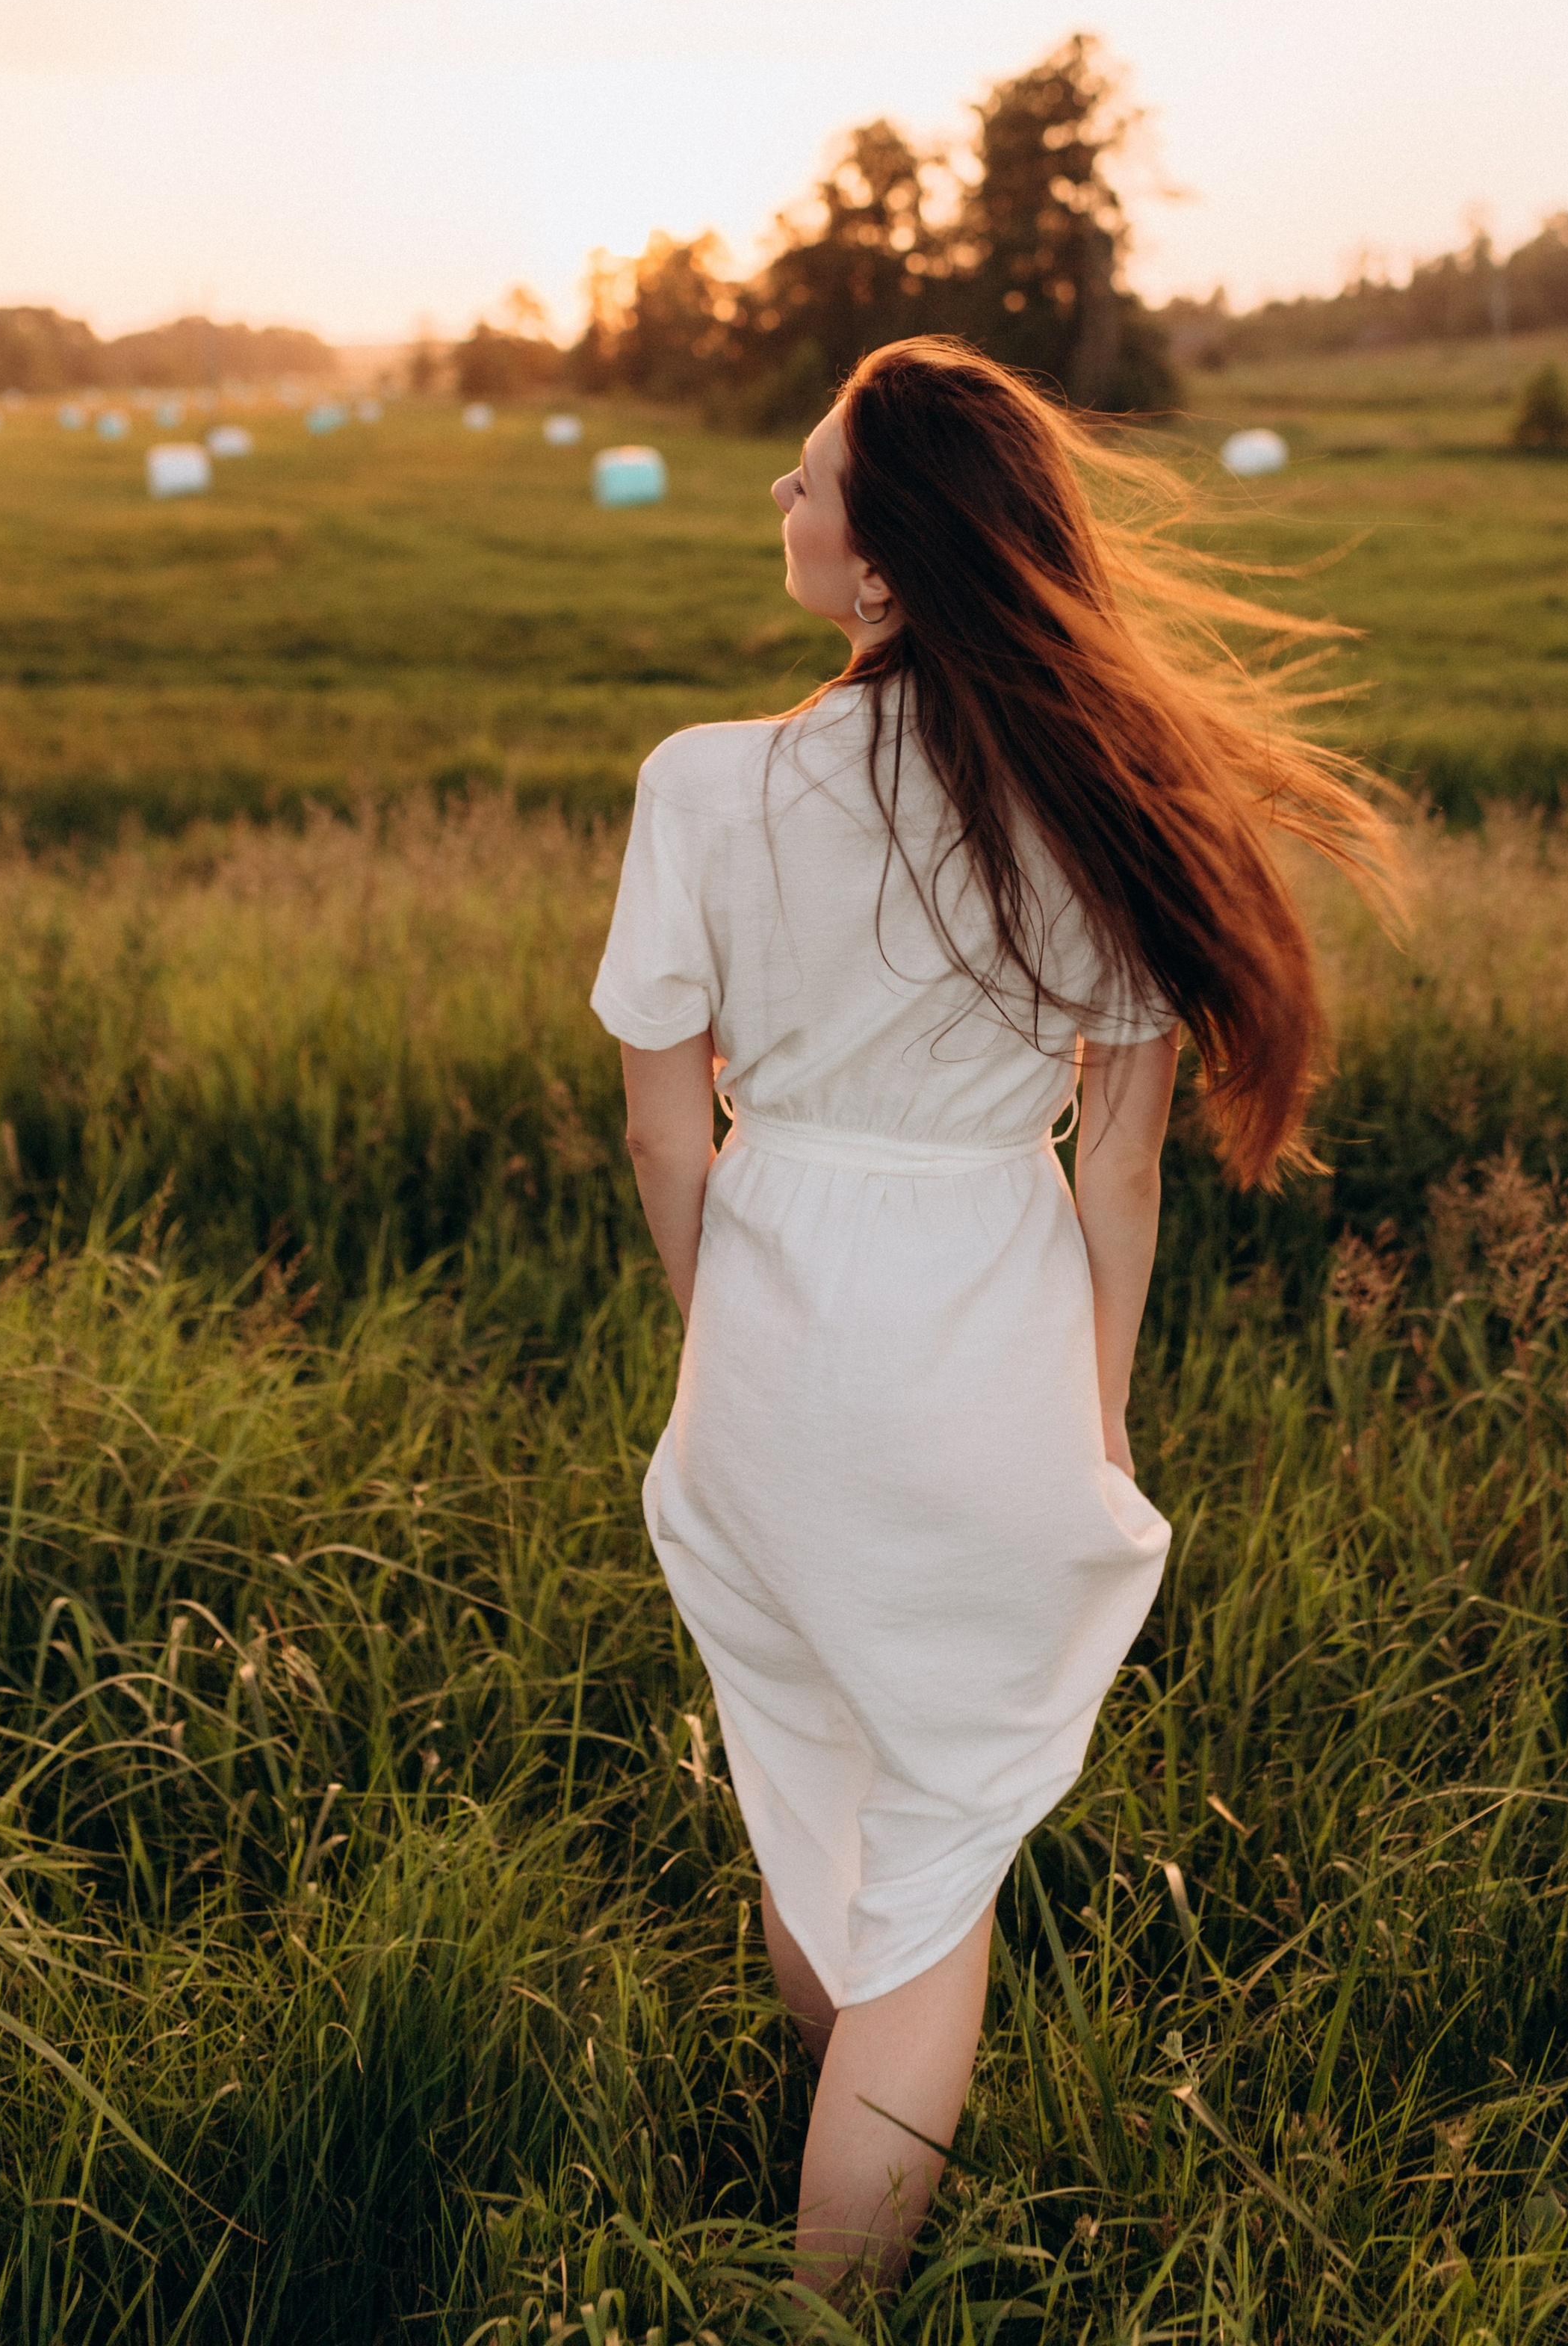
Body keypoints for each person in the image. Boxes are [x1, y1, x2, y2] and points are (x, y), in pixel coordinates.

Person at [589, 336, 1393, 2293]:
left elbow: (660, 1128)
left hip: (774, 1338)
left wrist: (728, 1343)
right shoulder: (1101, 804)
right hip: (980, 1338)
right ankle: (837, 2298)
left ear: (886, 570)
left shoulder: (702, 787)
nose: (774, 503)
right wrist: (1093, 1425)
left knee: (816, 1797)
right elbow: (1119, 1170)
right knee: (936, 1868)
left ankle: (835, 2203)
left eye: (804, 483)